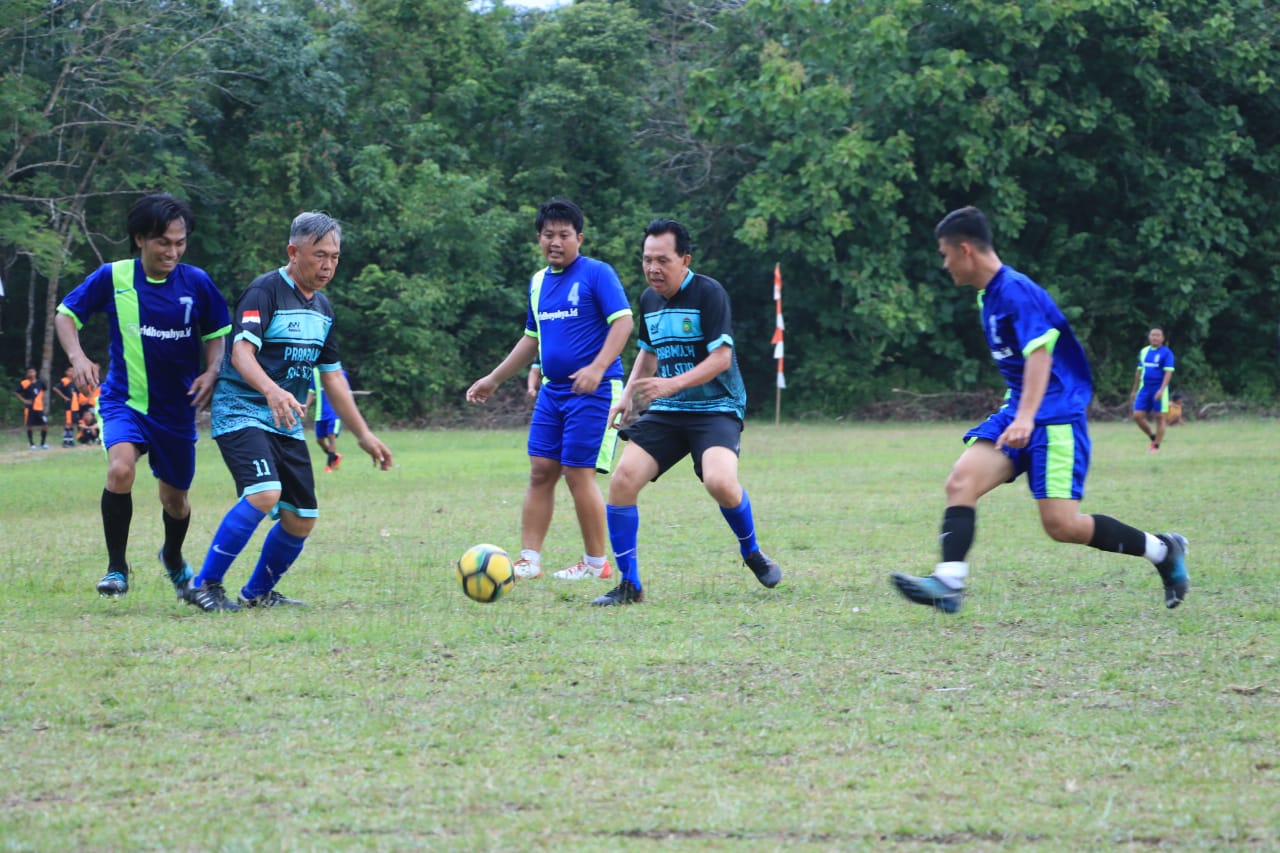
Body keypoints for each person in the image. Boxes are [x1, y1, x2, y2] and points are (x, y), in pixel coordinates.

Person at [890, 206, 1190, 613]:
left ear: (965, 250)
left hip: (1056, 419)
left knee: (1062, 526)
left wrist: (1028, 417)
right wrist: (1020, 414)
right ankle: (949, 582)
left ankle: (1163, 550)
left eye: (945, 254)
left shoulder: (1015, 291)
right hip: (1019, 414)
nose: (944, 264)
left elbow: (1040, 356)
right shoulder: (988, 296)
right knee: (961, 481)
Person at [181, 212, 393, 612]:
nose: (328, 265)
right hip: (241, 410)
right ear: (293, 252)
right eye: (319, 255)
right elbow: (241, 352)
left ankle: (257, 593)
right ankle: (204, 584)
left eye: (335, 257)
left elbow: (332, 378)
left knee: (301, 518)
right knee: (265, 493)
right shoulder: (265, 292)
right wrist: (272, 389)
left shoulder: (324, 309)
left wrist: (364, 435)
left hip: (285, 421)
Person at [594, 218, 782, 606]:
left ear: (685, 259)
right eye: (647, 260)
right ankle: (630, 585)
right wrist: (628, 396)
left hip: (716, 407)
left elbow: (721, 358)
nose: (652, 269)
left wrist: (671, 384)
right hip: (668, 409)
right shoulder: (648, 300)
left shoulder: (709, 293)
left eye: (662, 260)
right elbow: (647, 353)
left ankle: (751, 552)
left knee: (720, 482)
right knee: (622, 481)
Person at [55, 193, 232, 598]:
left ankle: (172, 555)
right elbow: (66, 314)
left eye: (179, 242)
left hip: (176, 410)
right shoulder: (113, 277)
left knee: (176, 501)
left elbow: (217, 334)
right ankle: (117, 569)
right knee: (120, 471)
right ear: (140, 239)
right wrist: (78, 356)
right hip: (125, 400)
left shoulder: (197, 282)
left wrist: (211, 369)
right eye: (163, 242)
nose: (172, 251)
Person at [466, 199, 634, 582]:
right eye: (548, 235)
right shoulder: (539, 282)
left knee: (578, 473)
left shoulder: (597, 274)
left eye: (563, 235)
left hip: (595, 391)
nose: (555, 242)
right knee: (541, 471)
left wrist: (596, 368)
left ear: (579, 237)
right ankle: (529, 560)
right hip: (552, 393)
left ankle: (596, 564)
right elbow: (531, 339)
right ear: (538, 239)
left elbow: (623, 324)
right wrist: (493, 378)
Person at [1129, 326, 1176, 452]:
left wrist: (1161, 390)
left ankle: (1156, 446)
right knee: (1137, 415)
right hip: (1144, 388)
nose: (1155, 337)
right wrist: (1134, 390)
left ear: (1162, 338)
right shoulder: (1144, 351)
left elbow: (1168, 373)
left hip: (1158, 388)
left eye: (1158, 335)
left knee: (1159, 417)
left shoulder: (1167, 353)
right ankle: (1152, 436)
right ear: (1149, 337)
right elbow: (1138, 372)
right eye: (1152, 335)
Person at [309, 366, 347, 472]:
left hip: (335, 413)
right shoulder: (315, 372)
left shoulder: (340, 372)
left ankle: (329, 466)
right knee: (319, 440)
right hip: (320, 414)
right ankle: (335, 457)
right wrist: (305, 407)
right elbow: (311, 391)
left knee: (331, 437)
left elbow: (346, 393)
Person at [14, 367, 49, 449]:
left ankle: (42, 444)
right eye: (29, 372)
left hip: (39, 408)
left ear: (35, 372)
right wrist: (24, 400)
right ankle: (32, 444)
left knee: (45, 425)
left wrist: (40, 398)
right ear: (27, 374)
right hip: (29, 408)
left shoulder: (40, 383)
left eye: (32, 372)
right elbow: (16, 392)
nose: (31, 374)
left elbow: (44, 390)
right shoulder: (25, 383)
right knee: (29, 425)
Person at [53, 367, 80, 447]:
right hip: (69, 405)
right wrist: (64, 397)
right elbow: (55, 388)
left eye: (73, 371)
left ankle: (70, 440)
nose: (71, 372)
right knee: (68, 423)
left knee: (72, 423)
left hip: (75, 405)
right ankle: (65, 441)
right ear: (66, 372)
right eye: (70, 371)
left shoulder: (75, 381)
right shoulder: (65, 381)